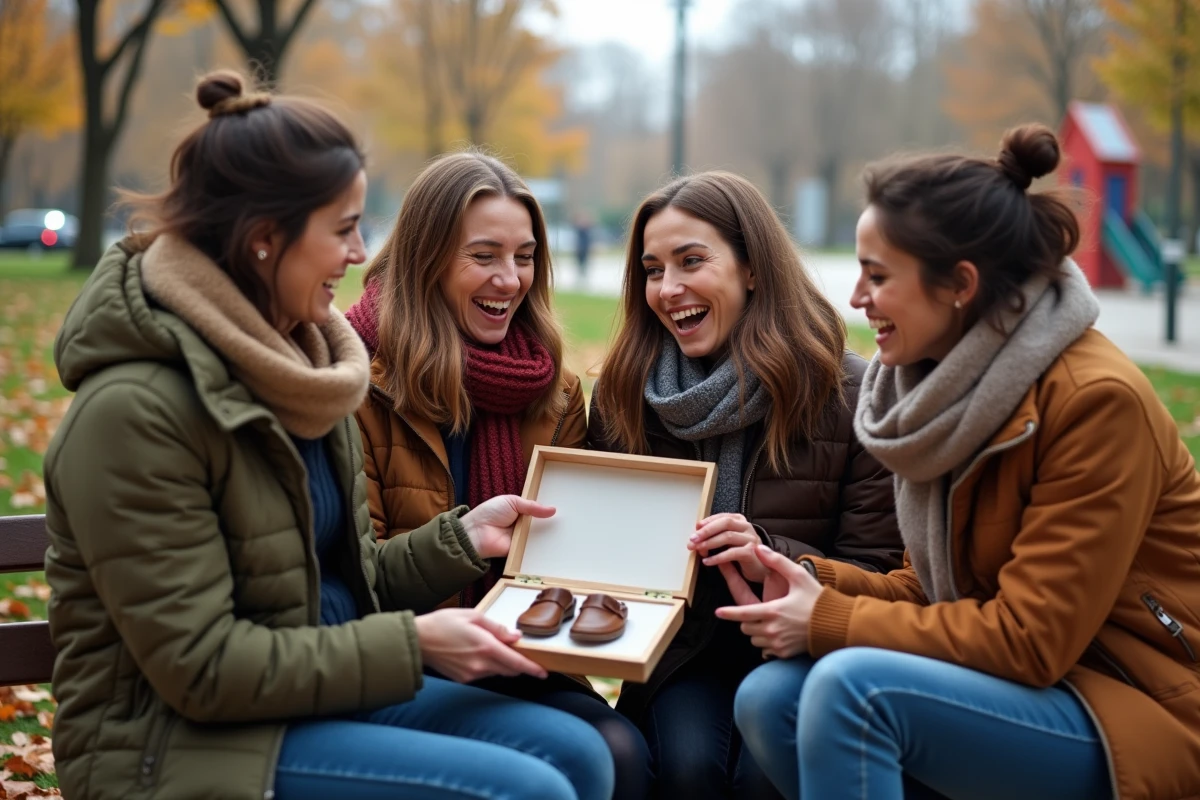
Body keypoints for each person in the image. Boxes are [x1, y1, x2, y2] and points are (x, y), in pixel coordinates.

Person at [42, 71, 614, 800]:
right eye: (343, 228)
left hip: (310, 702)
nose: (359, 252)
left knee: (585, 755)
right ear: (263, 241)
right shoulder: (135, 411)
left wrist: (461, 539)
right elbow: (202, 669)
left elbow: (349, 583)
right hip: (175, 744)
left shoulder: (308, 371)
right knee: (528, 790)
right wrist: (414, 643)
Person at [727, 124, 1200, 800]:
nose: (857, 298)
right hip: (1025, 689)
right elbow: (936, 595)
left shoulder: (1097, 402)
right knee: (772, 696)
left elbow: (1030, 639)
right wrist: (805, 578)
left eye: (878, 275)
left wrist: (828, 621)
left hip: (1136, 706)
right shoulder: (943, 392)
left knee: (849, 689)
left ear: (960, 285)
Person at [344, 151, 652, 798]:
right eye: (483, 256)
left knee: (623, 748)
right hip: (404, 658)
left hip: (520, 654)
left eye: (525, 256)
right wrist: (462, 543)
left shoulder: (555, 391)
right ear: (426, 260)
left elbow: (570, 567)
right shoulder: (355, 385)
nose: (509, 280)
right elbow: (352, 581)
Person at [587, 171, 903, 799]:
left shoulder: (849, 394)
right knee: (687, 768)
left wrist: (763, 551)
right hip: (684, 656)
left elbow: (879, 571)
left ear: (753, 268)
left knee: (769, 778)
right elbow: (603, 561)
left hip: (809, 655)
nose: (669, 289)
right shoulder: (627, 393)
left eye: (691, 261)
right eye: (652, 270)